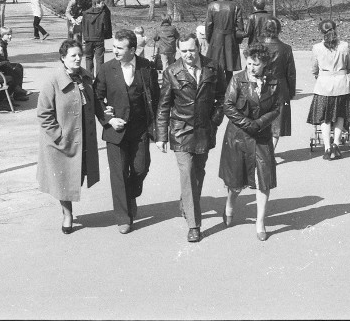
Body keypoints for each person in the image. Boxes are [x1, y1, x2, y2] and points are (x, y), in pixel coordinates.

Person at [155, 34, 226, 243]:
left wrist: (214, 121)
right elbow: (164, 105)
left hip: (205, 129)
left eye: (192, 50)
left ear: (199, 48)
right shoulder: (171, 72)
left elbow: (222, 97)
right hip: (181, 130)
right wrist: (161, 135)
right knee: (187, 172)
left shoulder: (213, 67)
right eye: (184, 50)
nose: (188, 54)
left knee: (198, 172)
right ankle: (194, 225)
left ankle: (186, 201)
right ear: (178, 50)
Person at [94, 29, 159, 234]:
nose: (115, 51)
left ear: (133, 49)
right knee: (118, 173)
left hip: (139, 129)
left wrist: (157, 128)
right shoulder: (106, 69)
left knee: (140, 168)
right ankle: (124, 217)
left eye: (120, 48)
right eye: (114, 47)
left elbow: (155, 98)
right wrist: (109, 119)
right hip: (116, 131)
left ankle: (130, 195)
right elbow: (97, 98)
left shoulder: (147, 68)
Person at [36, 39, 102, 234]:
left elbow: (96, 103)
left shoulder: (86, 78)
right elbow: (43, 113)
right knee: (63, 179)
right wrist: (59, 136)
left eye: (79, 55)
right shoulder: (53, 81)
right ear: (63, 58)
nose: (77, 58)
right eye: (72, 55)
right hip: (60, 143)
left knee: (77, 176)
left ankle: (68, 210)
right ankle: (67, 214)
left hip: (83, 139)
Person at [219, 42, 281, 241]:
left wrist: (260, 123)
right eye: (249, 63)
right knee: (236, 183)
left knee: (264, 180)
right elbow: (228, 105)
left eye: (255, 64)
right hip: (238, 137)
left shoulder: (274, 82)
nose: (251, 68)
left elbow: (277, 108)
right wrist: (248, 124)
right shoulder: (237, 79)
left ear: (265, 63)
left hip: (261, 137)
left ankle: (260, 221)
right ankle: (229, 204)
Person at [307, 20, 350, 161]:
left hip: (323, 87)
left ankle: (327, 147)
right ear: (336, 29)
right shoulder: (344, 46)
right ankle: (336, 144)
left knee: (325, 117)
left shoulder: (317, 48)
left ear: (321, 32)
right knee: (340, 115)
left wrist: (319, 74)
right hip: (342, 86)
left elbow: (314, 68)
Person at [260, 18, 296, 149]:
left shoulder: (258, 47)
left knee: (260, 118)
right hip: (281, 87)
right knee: (277, 121)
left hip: (261, 85)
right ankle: (270, 151)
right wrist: (291, 92)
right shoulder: (286, 49)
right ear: (279, 30)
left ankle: (263, 151)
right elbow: (291, 73)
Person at [205, 0, 245, 84]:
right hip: (230, 37)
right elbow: (240, 25)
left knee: (215, 65)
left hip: (216, 37)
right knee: (229, 66)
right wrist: (238, 39)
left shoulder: (212, 6)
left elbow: (208, 25)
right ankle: (229, 88)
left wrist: (209, 39)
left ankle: (216, 89)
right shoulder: (235, 5)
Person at [81, 0, 112, 77]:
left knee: (88, 58)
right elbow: (106, 28)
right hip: (99, 39)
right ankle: (99, 78)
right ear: (97, 4)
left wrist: (85, 37)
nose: (103, 5)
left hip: (88, 39)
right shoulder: (103, 14)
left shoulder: (85, 13)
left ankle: (89, 77)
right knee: (99, 59)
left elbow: (83, 27)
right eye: (102, 3)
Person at [0, 27, 30, 102]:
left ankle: (18, 92)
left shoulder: (3, 43)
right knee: (16, 69)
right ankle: (17, 91)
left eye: (11, 34)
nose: (10, 36)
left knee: (19, 66)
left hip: (3, 64)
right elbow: (0, 59)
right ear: (2, 35)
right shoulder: (0, 44)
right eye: (8, 34)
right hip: (0, 66)